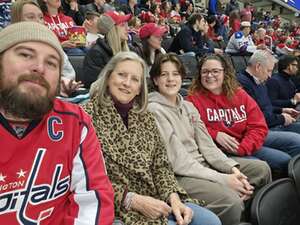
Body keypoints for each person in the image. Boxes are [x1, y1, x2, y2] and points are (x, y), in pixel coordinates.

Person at [83, 51, 222, 225]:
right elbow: (85, 179)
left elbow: (161, 165)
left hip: (158, 197)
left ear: (140, 88)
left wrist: (174, 198)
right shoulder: (86, 117)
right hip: (118, 206)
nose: (127, 83)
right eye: (122, 75)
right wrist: (131, 199)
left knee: (210, 221)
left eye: (135, 79)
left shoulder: (144, 116)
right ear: (109, 77)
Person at [0, 21, 114, 224]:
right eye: (26, 54)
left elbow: (93, 202)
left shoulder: (74, 122)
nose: (39, 67)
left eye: (52, 63)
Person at [147, 53, 271, 225]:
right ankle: (233, 213)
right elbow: (179, 162)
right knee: (231, 201)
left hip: (204, 164)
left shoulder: (188, 106)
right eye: (164, 74)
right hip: (181, 175)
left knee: (261, 169)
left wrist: (233, 171)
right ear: (155, 80)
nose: (170, 79)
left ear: (182, 77)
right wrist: (224, 179)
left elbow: (208, 147)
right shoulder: (154, 110)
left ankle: (247, 217)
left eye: (175, 74)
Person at [187, 53, 295, 173]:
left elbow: (258, 126)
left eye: (215, 71)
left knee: (285, 160)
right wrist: (215, 134)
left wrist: (244, 147)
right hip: (218, 152)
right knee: (261, 168)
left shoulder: (239, 94)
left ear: (225, 73)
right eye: (205, 72)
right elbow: (190, 129)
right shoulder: (193, 99)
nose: (210, 75)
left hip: (244, 143)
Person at [10, 0, 83, 98]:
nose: (38, 21)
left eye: (40, 17)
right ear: (17, 19)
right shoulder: (8, 47)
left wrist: (64, 84)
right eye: (31, 17)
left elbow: (68, 73)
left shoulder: (52, 45)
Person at [82, 11, 131, 88]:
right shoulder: (96, 53)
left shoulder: (129, 50)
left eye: (127, 25)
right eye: (122, 25)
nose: (127, 28)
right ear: (112, 30)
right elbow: (95, 86)